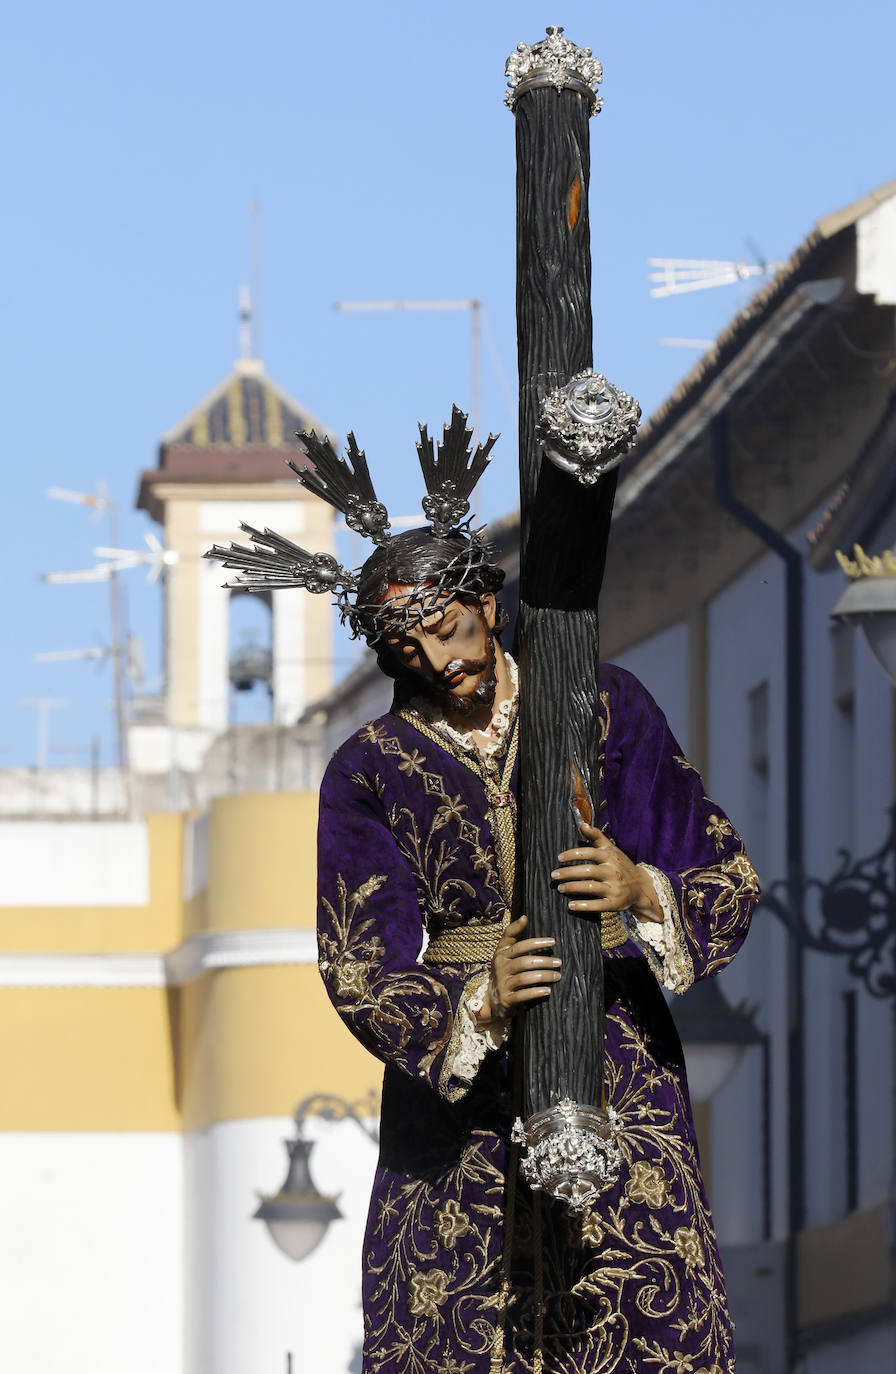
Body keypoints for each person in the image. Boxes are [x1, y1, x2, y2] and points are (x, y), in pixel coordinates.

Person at [316, 526, 760, 1374]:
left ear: (488, 604)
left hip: (614, 1057)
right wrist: (479, 998)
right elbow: (357, 964)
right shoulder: (369, 768)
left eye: (446, 627)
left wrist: (639, 888)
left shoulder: (605, 704)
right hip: (461, 1106)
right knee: (455, 1323)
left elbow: (724, 873)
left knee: (643, 1312)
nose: (438, 660)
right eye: (408, 649)